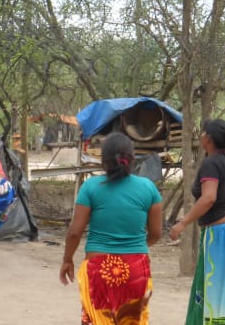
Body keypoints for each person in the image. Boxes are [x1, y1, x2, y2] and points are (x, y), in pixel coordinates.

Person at [59, 132, 163, 324]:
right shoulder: (148, 188)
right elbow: (156, 233)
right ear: (131, 160)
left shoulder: (90, 187)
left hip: (98, 268)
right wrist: (137, 246)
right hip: (136, 269)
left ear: (103, 160)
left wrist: (67, 260)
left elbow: (75, 232)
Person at [169, 119, 225, 325]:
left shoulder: (211, 163)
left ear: (207, 139)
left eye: (202, 133)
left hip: (224, 233)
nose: (200, 136)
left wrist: (183, 223)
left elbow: (209, 198)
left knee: (219, 291)